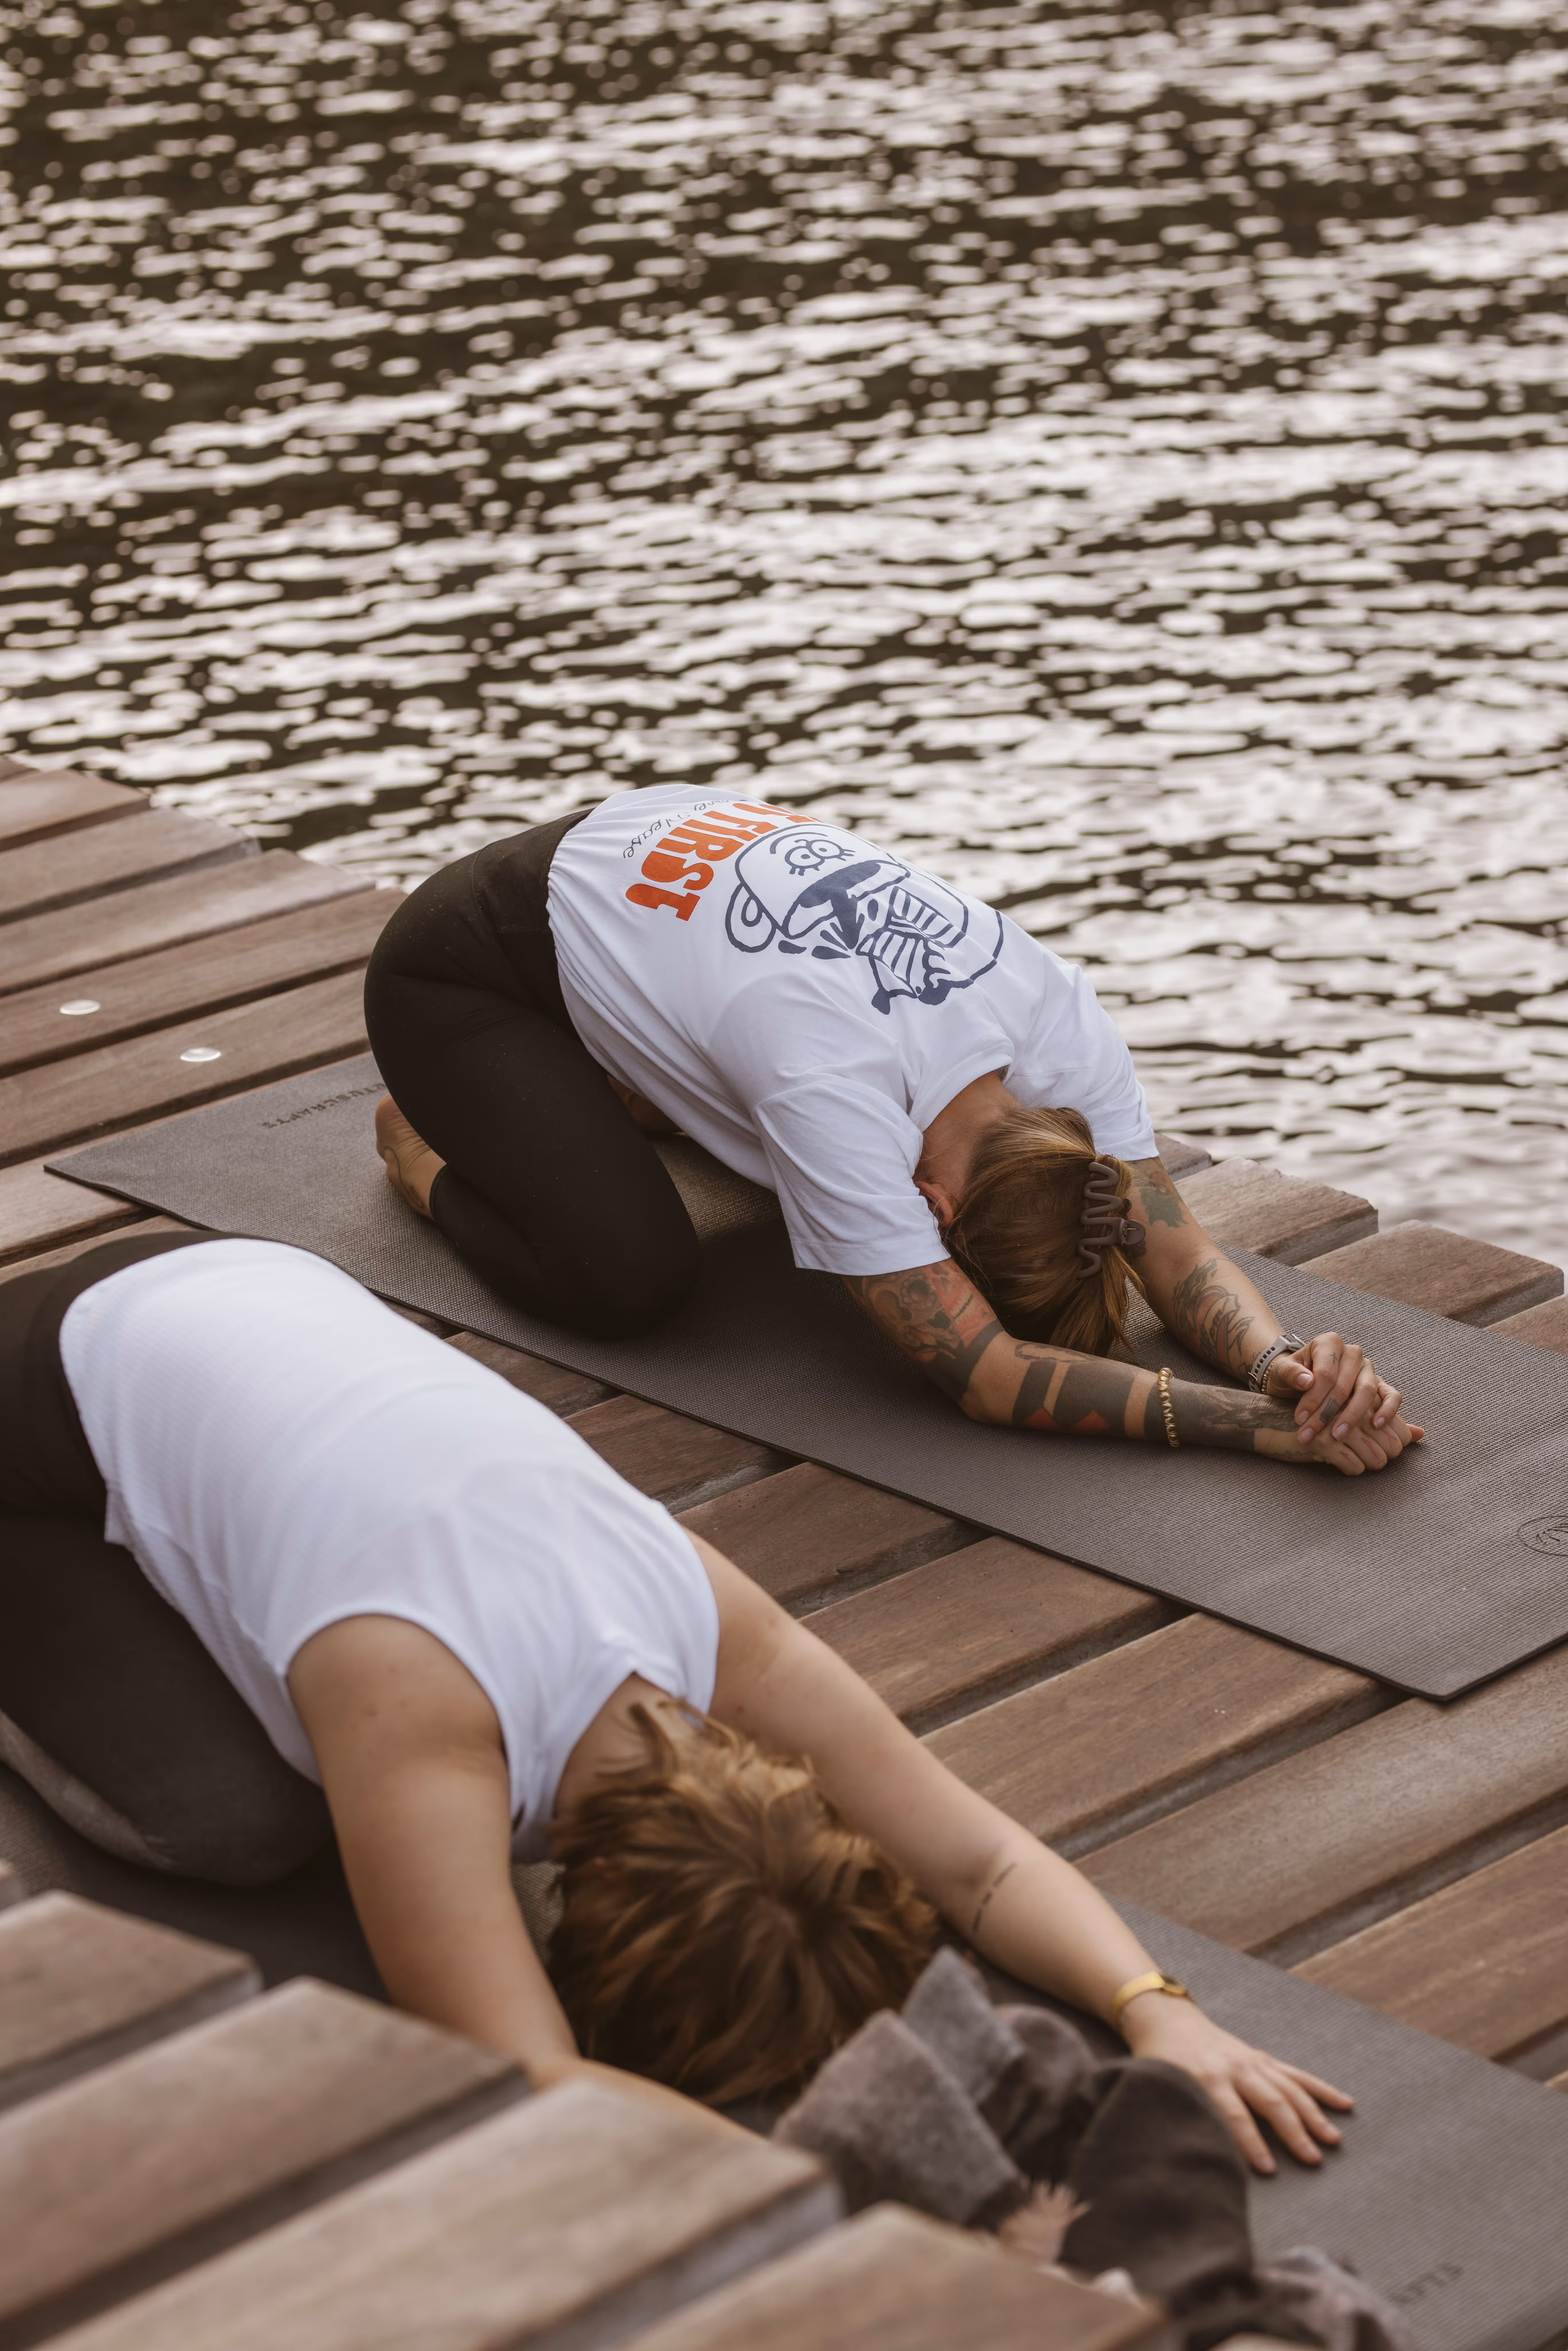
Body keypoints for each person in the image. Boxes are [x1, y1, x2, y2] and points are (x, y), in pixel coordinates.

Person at [0, 1230, 1349, 2169]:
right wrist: (891, 2201)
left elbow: (976, 1854)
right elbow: (524, 2078)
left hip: (253, 1305)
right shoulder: (418, 1715)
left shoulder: (704, 1622)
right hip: (47, 1390)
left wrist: (1154, 2005)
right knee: (237, 1823)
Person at [365, 792, 1421, 1476]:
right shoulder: (830, 1087)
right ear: (940, 1216)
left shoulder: (1060, 1036)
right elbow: (988, 1375)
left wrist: (1287, 1363)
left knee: (750, 1114)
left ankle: (625, 1078)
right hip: (469, 963)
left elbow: (1176, 1250)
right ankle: (423, 1141)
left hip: (660, 877)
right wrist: (1260, 1430)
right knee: (627, 1279)